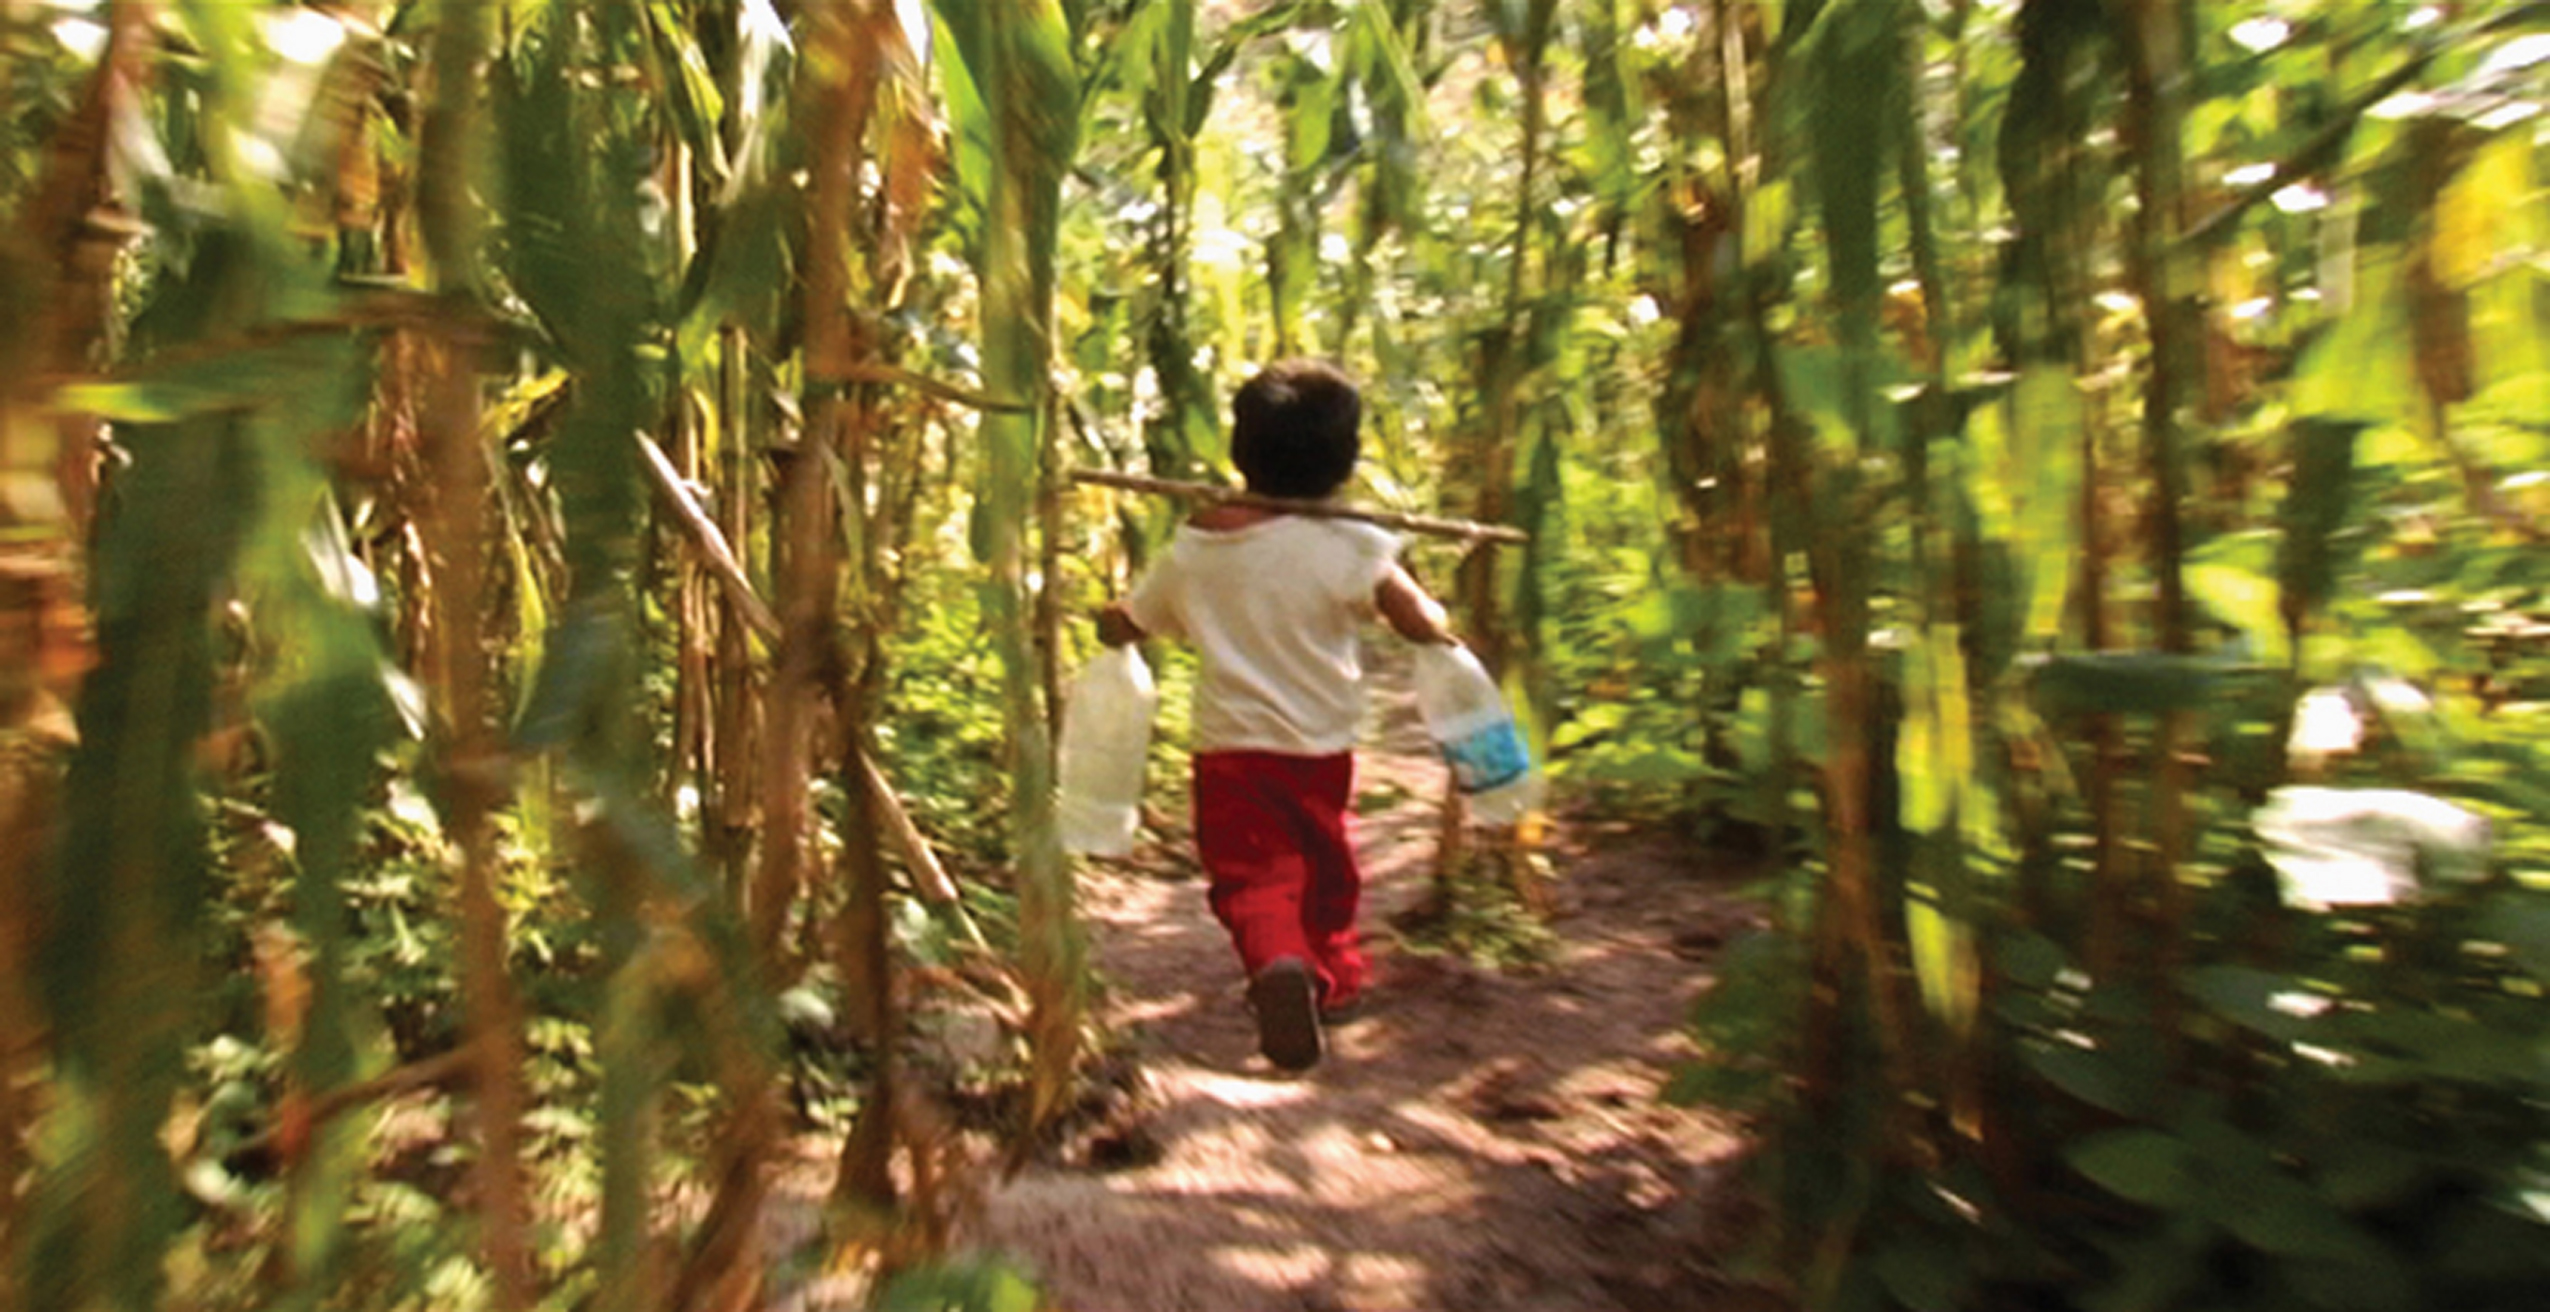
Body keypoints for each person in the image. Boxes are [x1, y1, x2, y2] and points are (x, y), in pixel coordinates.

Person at [1096, 359, 1453, 1072]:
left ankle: (1278, 961)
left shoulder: (1198, 545)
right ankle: (1335, 977)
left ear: (1241, 451)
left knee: (1251, 873)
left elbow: (1132, 620)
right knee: (1327, 867)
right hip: (1323, 749)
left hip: (1230, 751)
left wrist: (1108, 619)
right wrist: (1432, 612)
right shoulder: (1352, 543)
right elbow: (1420, 622)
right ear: (1344, 462)